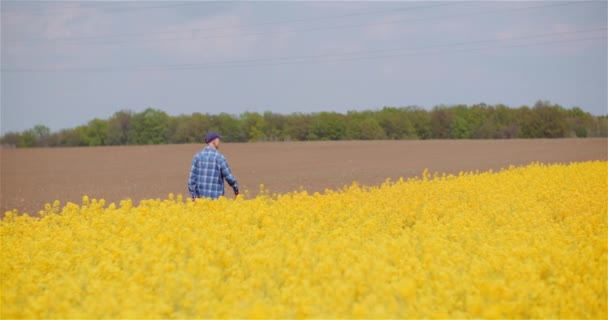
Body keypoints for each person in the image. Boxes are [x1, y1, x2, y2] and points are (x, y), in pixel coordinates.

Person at [188, 132, 239, 200]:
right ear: (214, 141)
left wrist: (194, 196)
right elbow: (229, 177)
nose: (219, 142)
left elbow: (191, 179)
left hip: (200, 201)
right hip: (216, 200)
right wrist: (236, 189)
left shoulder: (197, 156)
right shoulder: (219, 157)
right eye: (218, 140)